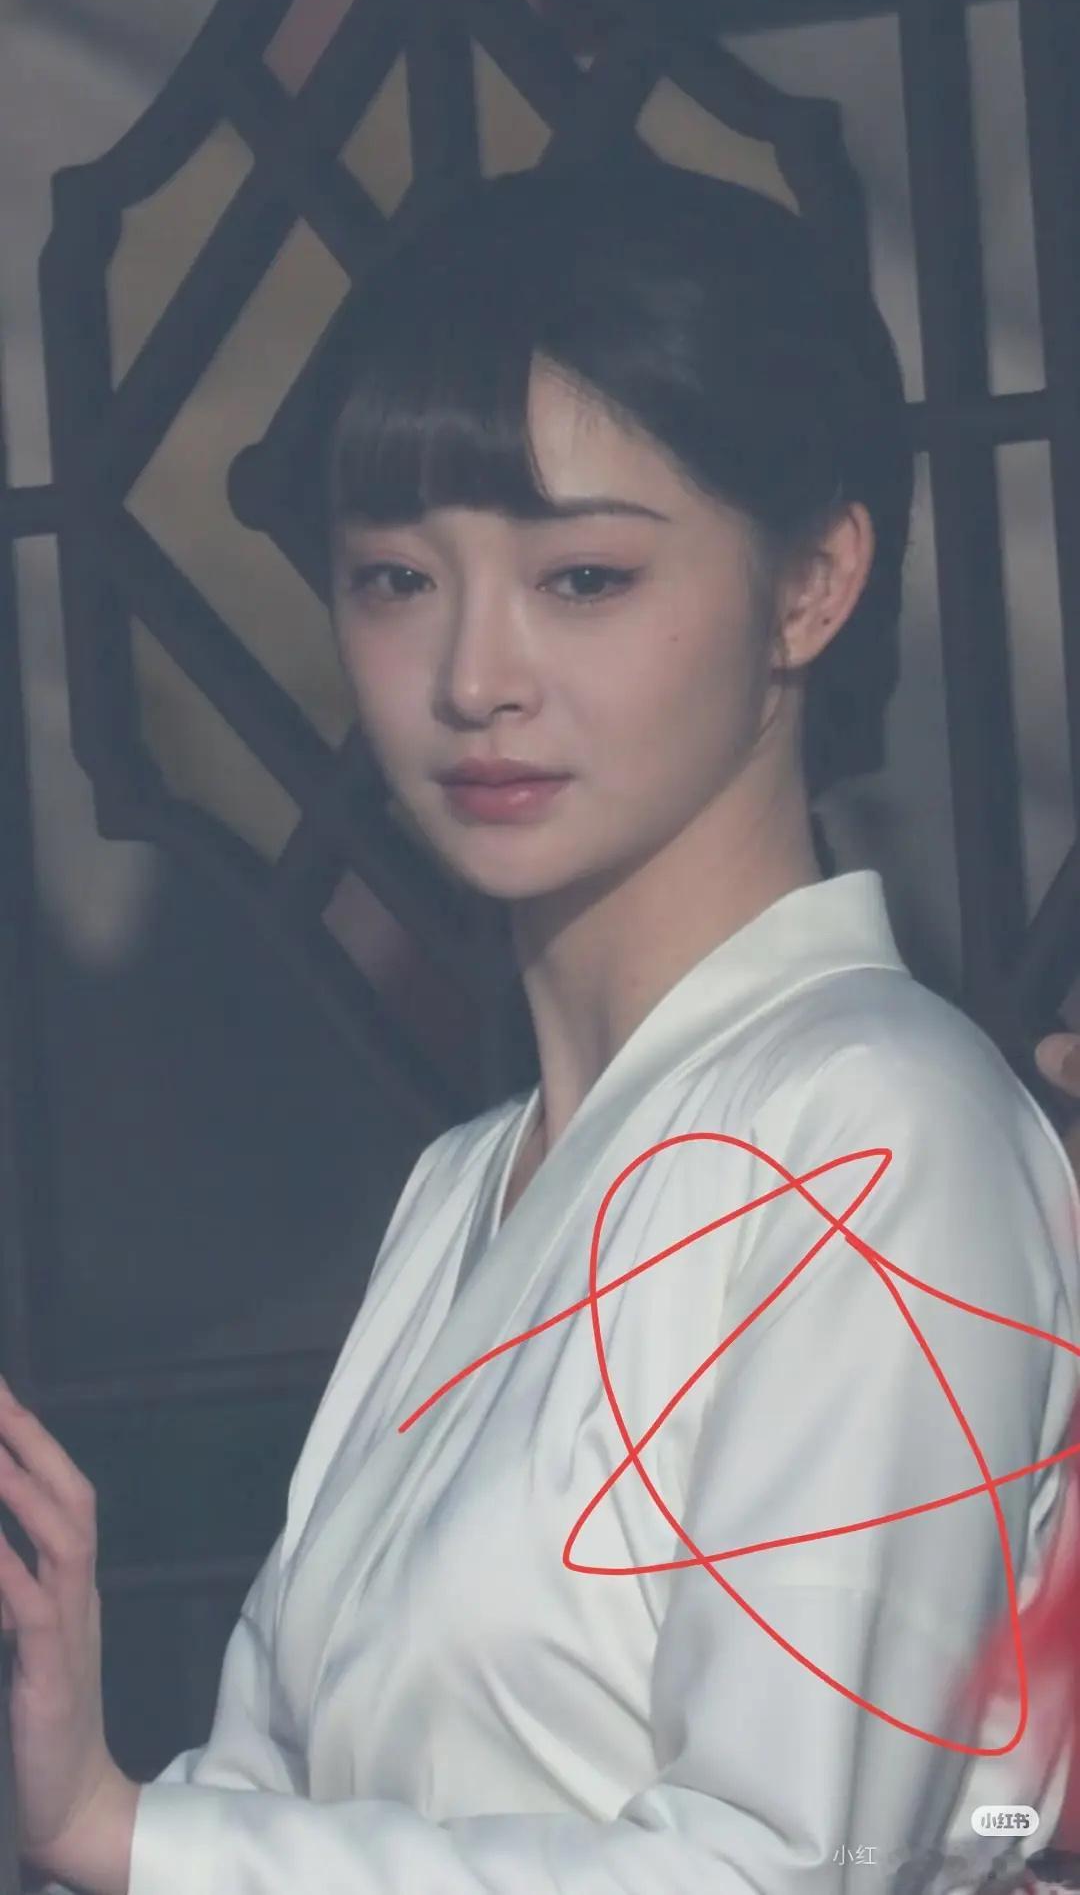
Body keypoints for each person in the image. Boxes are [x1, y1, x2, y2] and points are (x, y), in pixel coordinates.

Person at [4, 148, 1080, 1895]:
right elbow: (270, 1801)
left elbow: (786, 1870)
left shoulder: (882, 1136)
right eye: (394, 580)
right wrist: (109, 1810)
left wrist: (140, 1837)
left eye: (583, 578)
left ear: (811, 586)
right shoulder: (464, 1194)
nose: (473, 678)